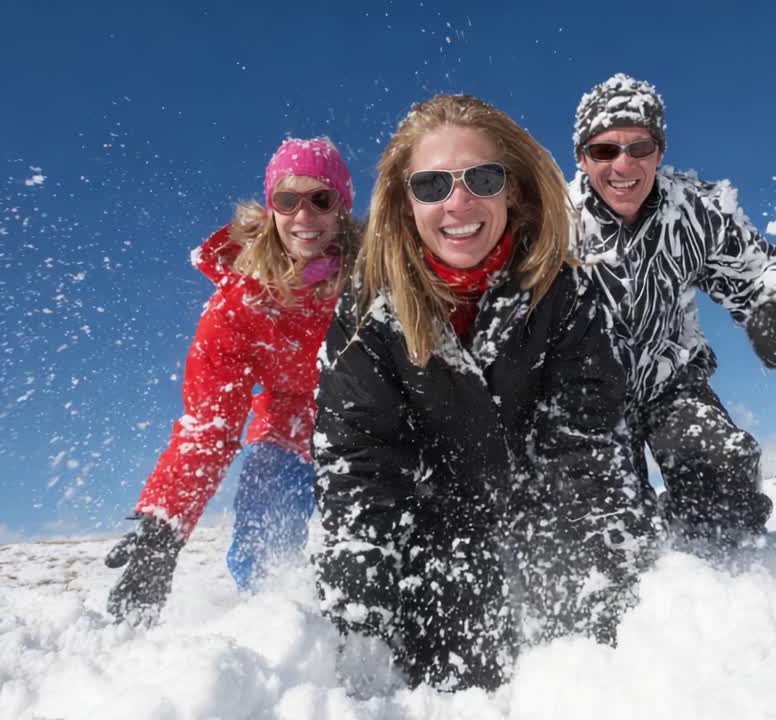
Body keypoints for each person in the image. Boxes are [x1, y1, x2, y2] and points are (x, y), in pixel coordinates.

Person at [312, 94, 658, 691]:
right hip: (437, 526)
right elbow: (361, 459)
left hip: (543, 510)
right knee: (450, 666)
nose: (459, 202)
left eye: (482, 178)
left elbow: (586, 452)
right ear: (403, 203)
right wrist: (360, 597)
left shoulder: (564, 294)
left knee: (594, 646)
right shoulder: (368, 310)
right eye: (431, 186)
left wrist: (594, 591)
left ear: (513, 190)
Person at [105, 137, 359, 623]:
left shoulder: (371, 277)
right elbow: (210, 424)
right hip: (287, 436)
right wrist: (162, 528)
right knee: (266, 545)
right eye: (288, 200)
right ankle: (276, 630)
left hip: (368, 432)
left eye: (320, 199)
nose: (303, 216)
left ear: (342, 208)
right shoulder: (240, 303)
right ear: (270, 210)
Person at [569, 74, 776, 552]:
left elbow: (759, 271)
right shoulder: (555, 222)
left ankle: (721, 570)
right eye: (604, 151)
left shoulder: (695, 210)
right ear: (581, 157)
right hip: (587, 399)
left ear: (659, 151)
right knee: (609, 535)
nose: (624, 165)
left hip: (671, 383)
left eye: (639, 148)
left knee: (722, 471)